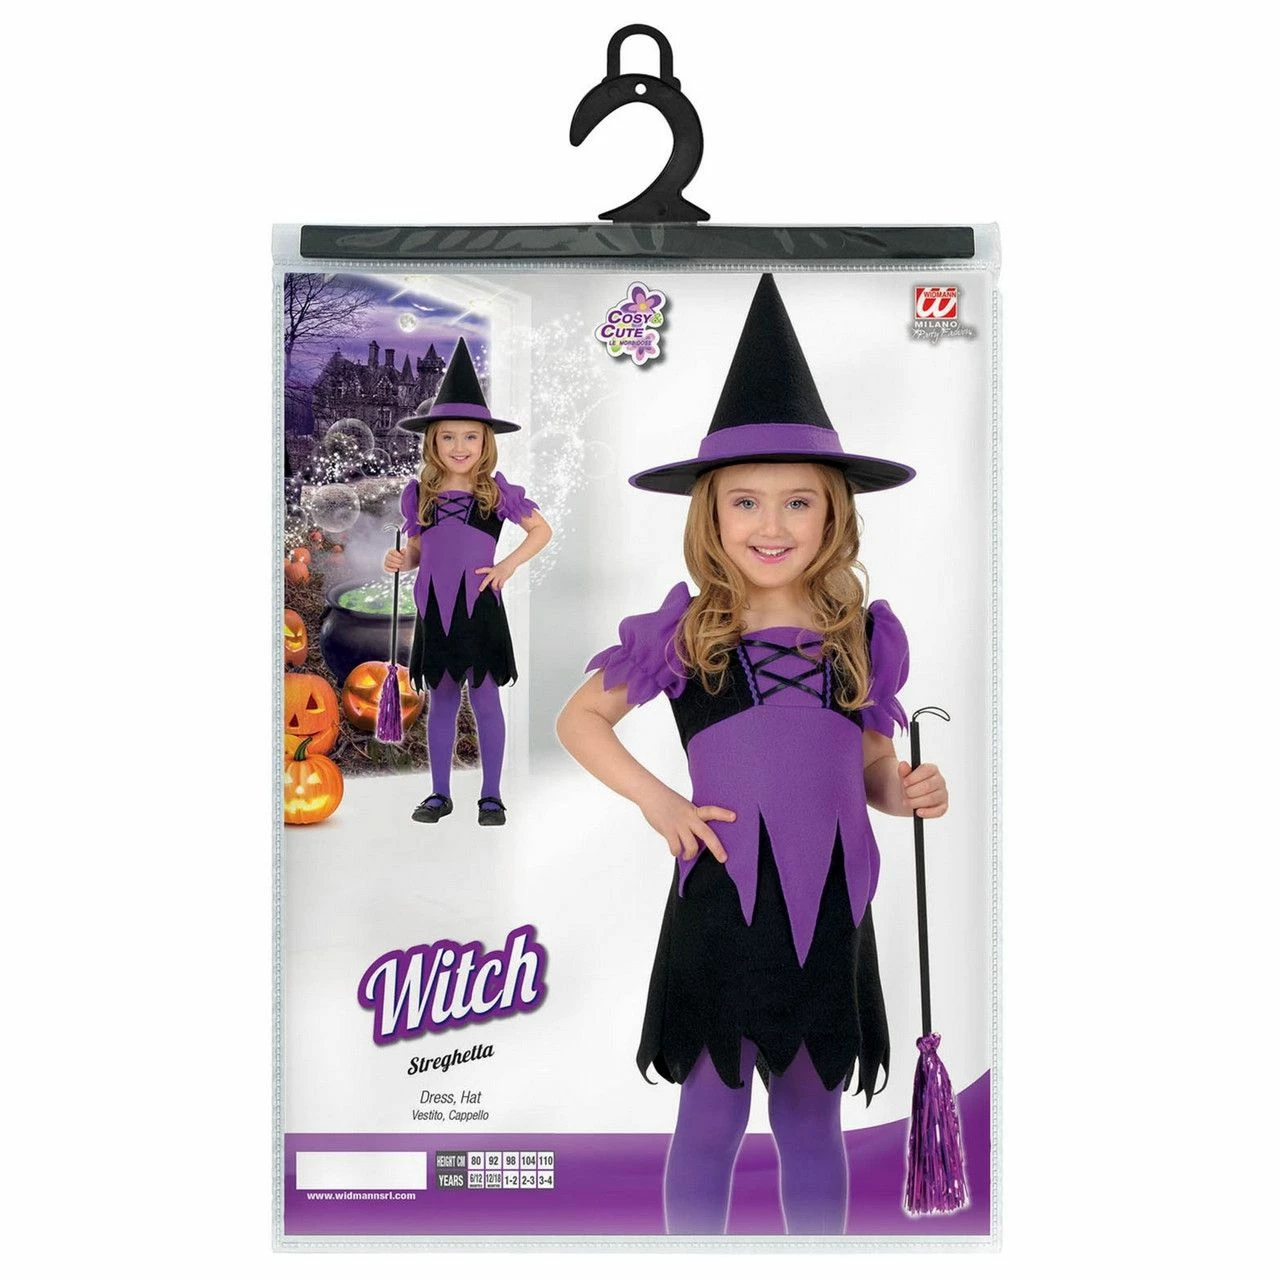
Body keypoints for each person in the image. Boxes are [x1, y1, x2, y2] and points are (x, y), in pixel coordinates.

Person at [555, 275, 947, 1234]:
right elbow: (580, 720)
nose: (771, 526)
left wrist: (902, 789)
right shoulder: (688, 633)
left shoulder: (862, 638)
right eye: (746, 503)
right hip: (724, 898)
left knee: (812, 1119)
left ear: (834, 514)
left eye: (797, 502)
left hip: (831, 904)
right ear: (712, 516)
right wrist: (660, 803)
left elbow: (868, 769)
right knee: (712, 1116)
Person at [385, 339, 551, 827]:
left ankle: (491, 795)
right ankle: (439, 793)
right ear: (432, 443)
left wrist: (507, 566)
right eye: (448, 438)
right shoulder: (420, 494)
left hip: (479, 606)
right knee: (440, 701)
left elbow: (541, 531)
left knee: (484, 699)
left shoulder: (495, 492)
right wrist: (402, 558)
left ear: (486, 442)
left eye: (470, 438)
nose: (459, 447)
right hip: (434, 608)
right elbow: (419, 551)